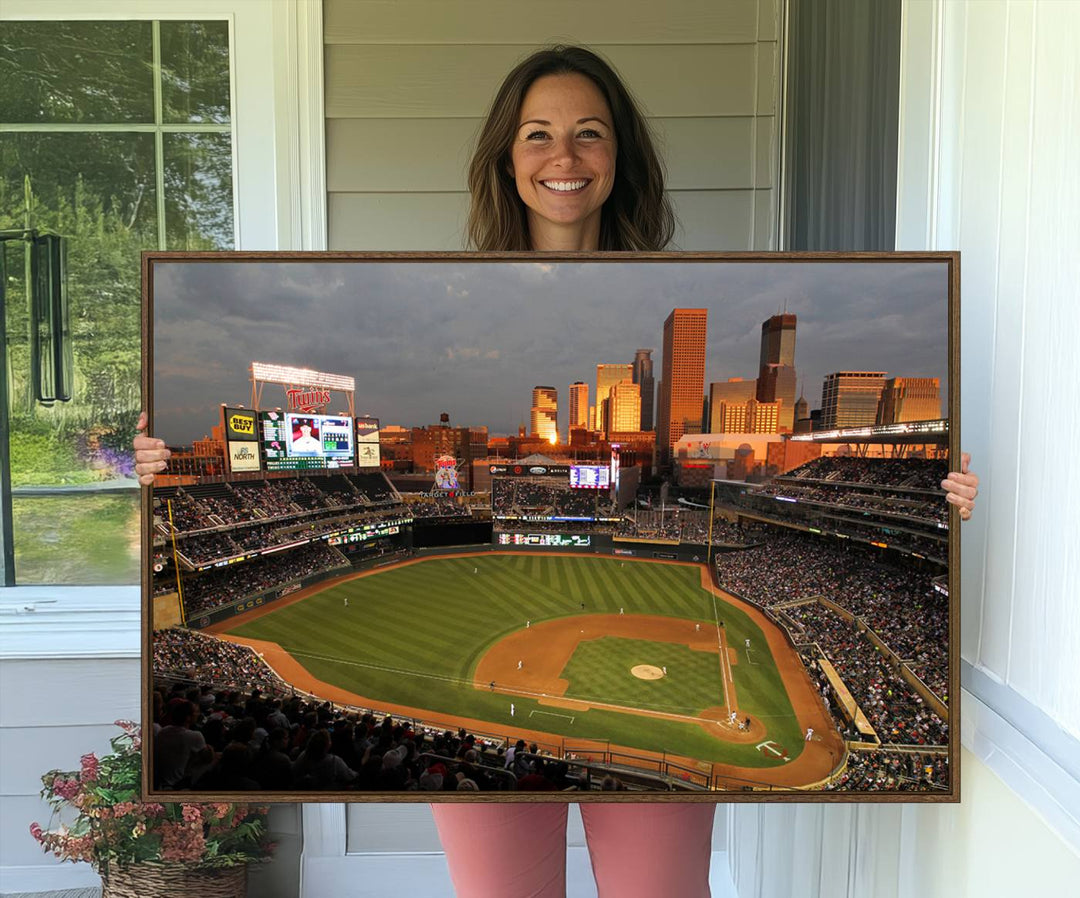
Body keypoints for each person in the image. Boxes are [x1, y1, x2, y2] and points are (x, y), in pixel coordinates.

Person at [133, 43, 981, 898]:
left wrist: (942, 490)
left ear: (621, 158)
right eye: (537, 134)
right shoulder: (444, 281)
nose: (563, 157)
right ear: (507, 157)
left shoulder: (682, 285)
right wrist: (157, 465)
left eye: (590, 134)